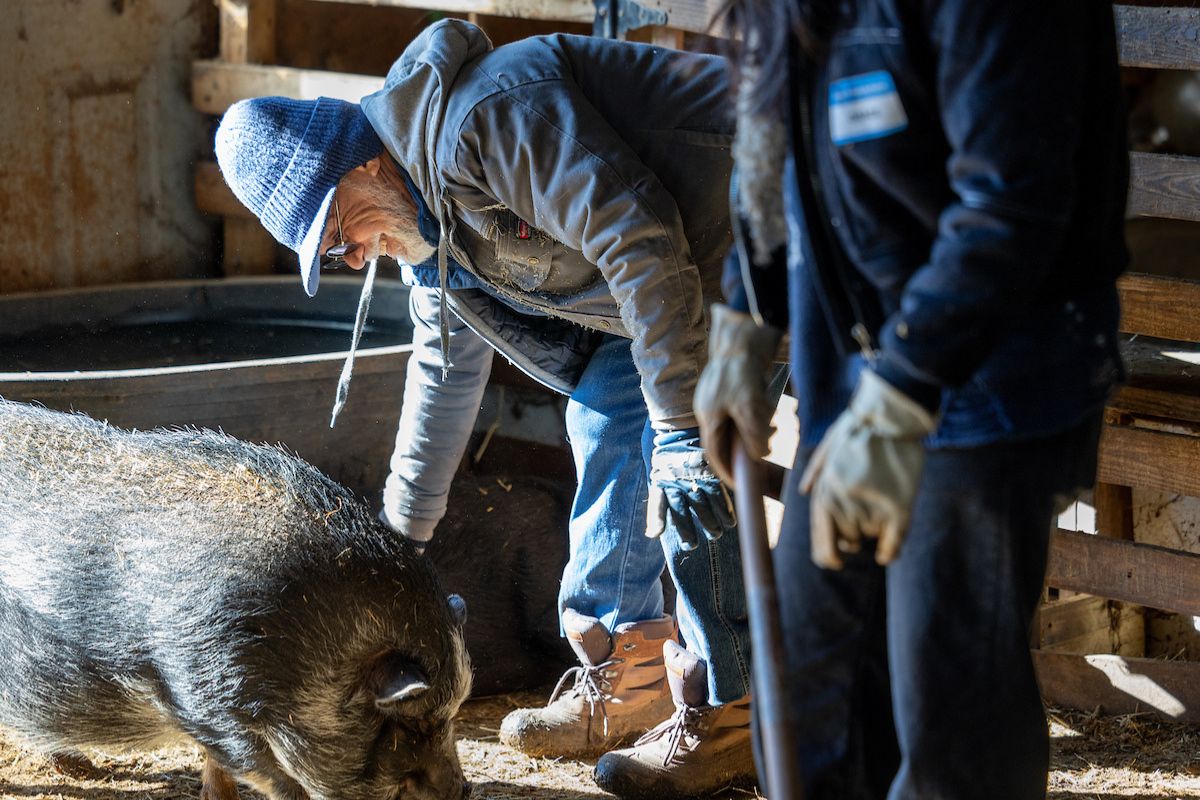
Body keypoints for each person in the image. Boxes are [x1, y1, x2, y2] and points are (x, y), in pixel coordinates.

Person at [215, 19, 762, 798]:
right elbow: (441, 377)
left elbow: (639, 238)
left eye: (340, 232)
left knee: (679, 453)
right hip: (681, 277)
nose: (356, 257)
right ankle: (630, 667)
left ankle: (727, 711)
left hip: (768, 221)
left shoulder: (486, 121)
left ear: (366, 162)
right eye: (337, 257)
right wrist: (396, 555)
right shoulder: (428, 240)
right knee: (602, 412)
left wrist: (677, 425)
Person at [695, 1, 1128, 798]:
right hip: (853, 363)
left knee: (948, 723)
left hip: (992, 369)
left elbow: (1011, 199)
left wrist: (901, 393)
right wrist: (745, 313)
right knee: (805, 692)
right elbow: (773, 125)